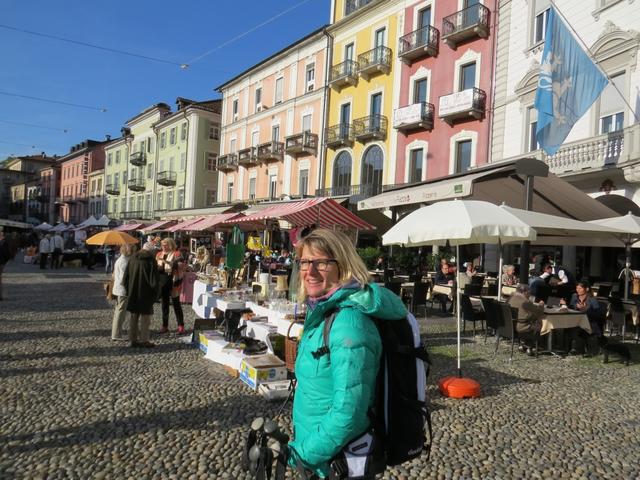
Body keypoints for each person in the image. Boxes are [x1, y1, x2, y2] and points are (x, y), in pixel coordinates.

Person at [287, 228, 407, 478]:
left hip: (337, 462)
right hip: (321, 456)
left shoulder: (349, 323)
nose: (309, 272)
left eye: (321, 262)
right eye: (305, 262)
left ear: (342, 265)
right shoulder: (323, 310)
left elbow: (349, 412)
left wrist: (302, 454)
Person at [123, 242, 159, 348]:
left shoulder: (133, 258)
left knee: (133, 317)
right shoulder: (151, 260)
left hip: (133, 292)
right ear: (150, 251)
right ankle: (144, 340)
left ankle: (132, 339)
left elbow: (126, 277)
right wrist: (156, 294)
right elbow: (154, 280)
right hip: (146, 293)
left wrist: (128, 290)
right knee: (145, 318)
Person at [156, 237, 186, 334]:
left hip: (173, 281)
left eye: (166, 245)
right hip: (163, 282)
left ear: (171, 245)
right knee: (164, 305)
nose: (164, 247)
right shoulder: (158, 254)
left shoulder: (176, 254)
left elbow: (182, 265)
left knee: (176, 305)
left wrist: (169, 263)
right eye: (162, 245)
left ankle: (181, 326)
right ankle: (165, 326)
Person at [508, 284, 544, 355]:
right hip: (522, 327)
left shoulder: (510, 298)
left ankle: (527, 344)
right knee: (541, 323)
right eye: (529, 292)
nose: (530, 294)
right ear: (525, 292)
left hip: (511, 326)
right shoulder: (525, 301)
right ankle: (534, 345)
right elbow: (539, 312)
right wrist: (541, 305)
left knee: (533, 320)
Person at [111, 244, 135, 341]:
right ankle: (116, 334)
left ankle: (116, 333)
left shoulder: (121, 260)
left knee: (119, 311)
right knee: (120, 312)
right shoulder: (123, 261)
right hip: (122, 290)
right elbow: (123, 279)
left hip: (119, 289)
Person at [0, 230, 12, 301]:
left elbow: (7, 254)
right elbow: (8, 254)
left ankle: (0, 296)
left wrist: (4, 262)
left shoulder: (4, 243)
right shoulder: (5, 243)